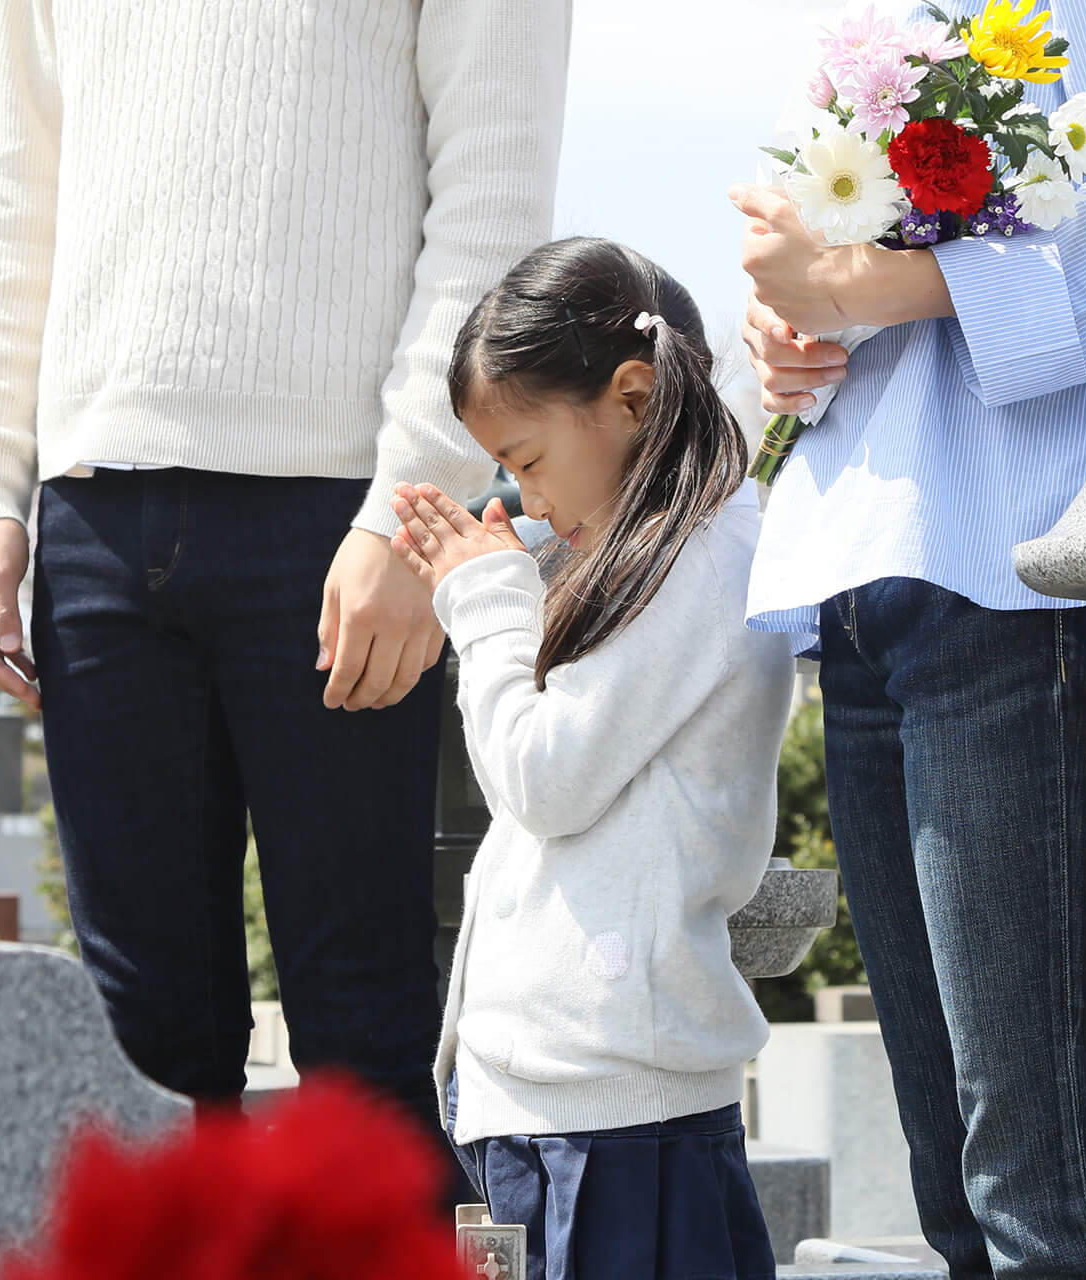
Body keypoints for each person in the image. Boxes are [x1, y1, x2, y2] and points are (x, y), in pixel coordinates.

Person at [0, 0, 571, 1139]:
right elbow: (13, 196)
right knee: (137, 1027)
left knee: (361, 1012)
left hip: (343, 517)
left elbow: (492, 212)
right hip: (91, 504)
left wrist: (406, 510)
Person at [727, 3, 1086, 1275]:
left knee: (1049, 1189)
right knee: (960, 1193)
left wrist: (895, 282)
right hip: (872, 551)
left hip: (1035, 559)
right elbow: (828, 223)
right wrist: (797, 325)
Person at [390, 238, 792, 1280]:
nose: (521, 495)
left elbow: (544, 775)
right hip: (560, 1091)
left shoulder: (702, 551)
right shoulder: (652, 549)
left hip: (615, 1103)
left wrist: (484, 605)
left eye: (525, 458)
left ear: (628, 395)